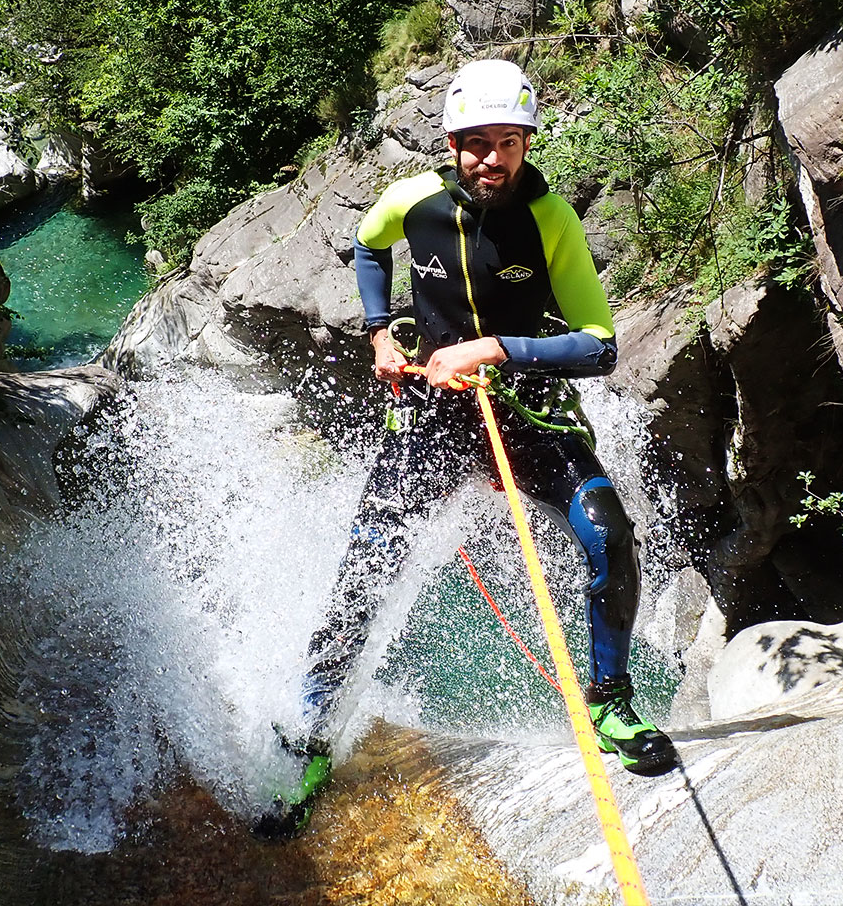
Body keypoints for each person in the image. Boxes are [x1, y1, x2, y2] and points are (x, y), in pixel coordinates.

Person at [253, 59, 678, 839]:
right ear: (452, 144)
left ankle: (613, 706)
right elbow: (367, 244)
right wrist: (379, 333)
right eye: (478, 143)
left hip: (526, 410)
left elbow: (600, 345)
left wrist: (493, 350)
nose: (493, 158)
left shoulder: (551, 219)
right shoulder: (411, 201)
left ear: (526, 144)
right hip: (432, 417)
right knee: (366, 567)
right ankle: (311, 735)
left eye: (509, 142)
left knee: (610, 536)